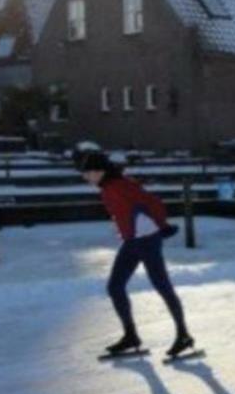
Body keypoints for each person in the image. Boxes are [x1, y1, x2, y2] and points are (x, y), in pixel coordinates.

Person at [80, 152, 195, 357]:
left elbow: (152, 203)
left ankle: (183, 335)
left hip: (147, 240)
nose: (85, 177)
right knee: (115, 286)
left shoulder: (121, 185)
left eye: (87, 173)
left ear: (99, 171)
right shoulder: (107, 187)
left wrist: (161, 226)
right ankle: (131, 335)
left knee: (162, 286)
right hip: (132, 241)